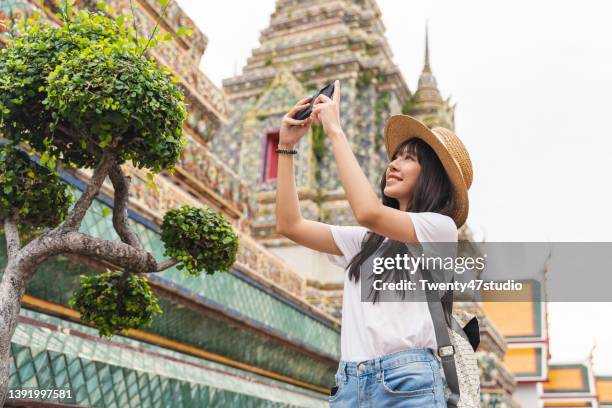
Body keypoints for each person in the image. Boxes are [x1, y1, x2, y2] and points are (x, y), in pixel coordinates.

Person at [275, 79, 473, 407]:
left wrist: (335, 131)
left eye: (409, 159)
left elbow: (367, 211)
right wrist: (285, 147)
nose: (393, 164)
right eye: (394, 157)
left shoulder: (440, 230)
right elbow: (290, 224)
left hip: (409, 381)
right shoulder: (367, 243)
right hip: (350, 382)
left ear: (433, 176)